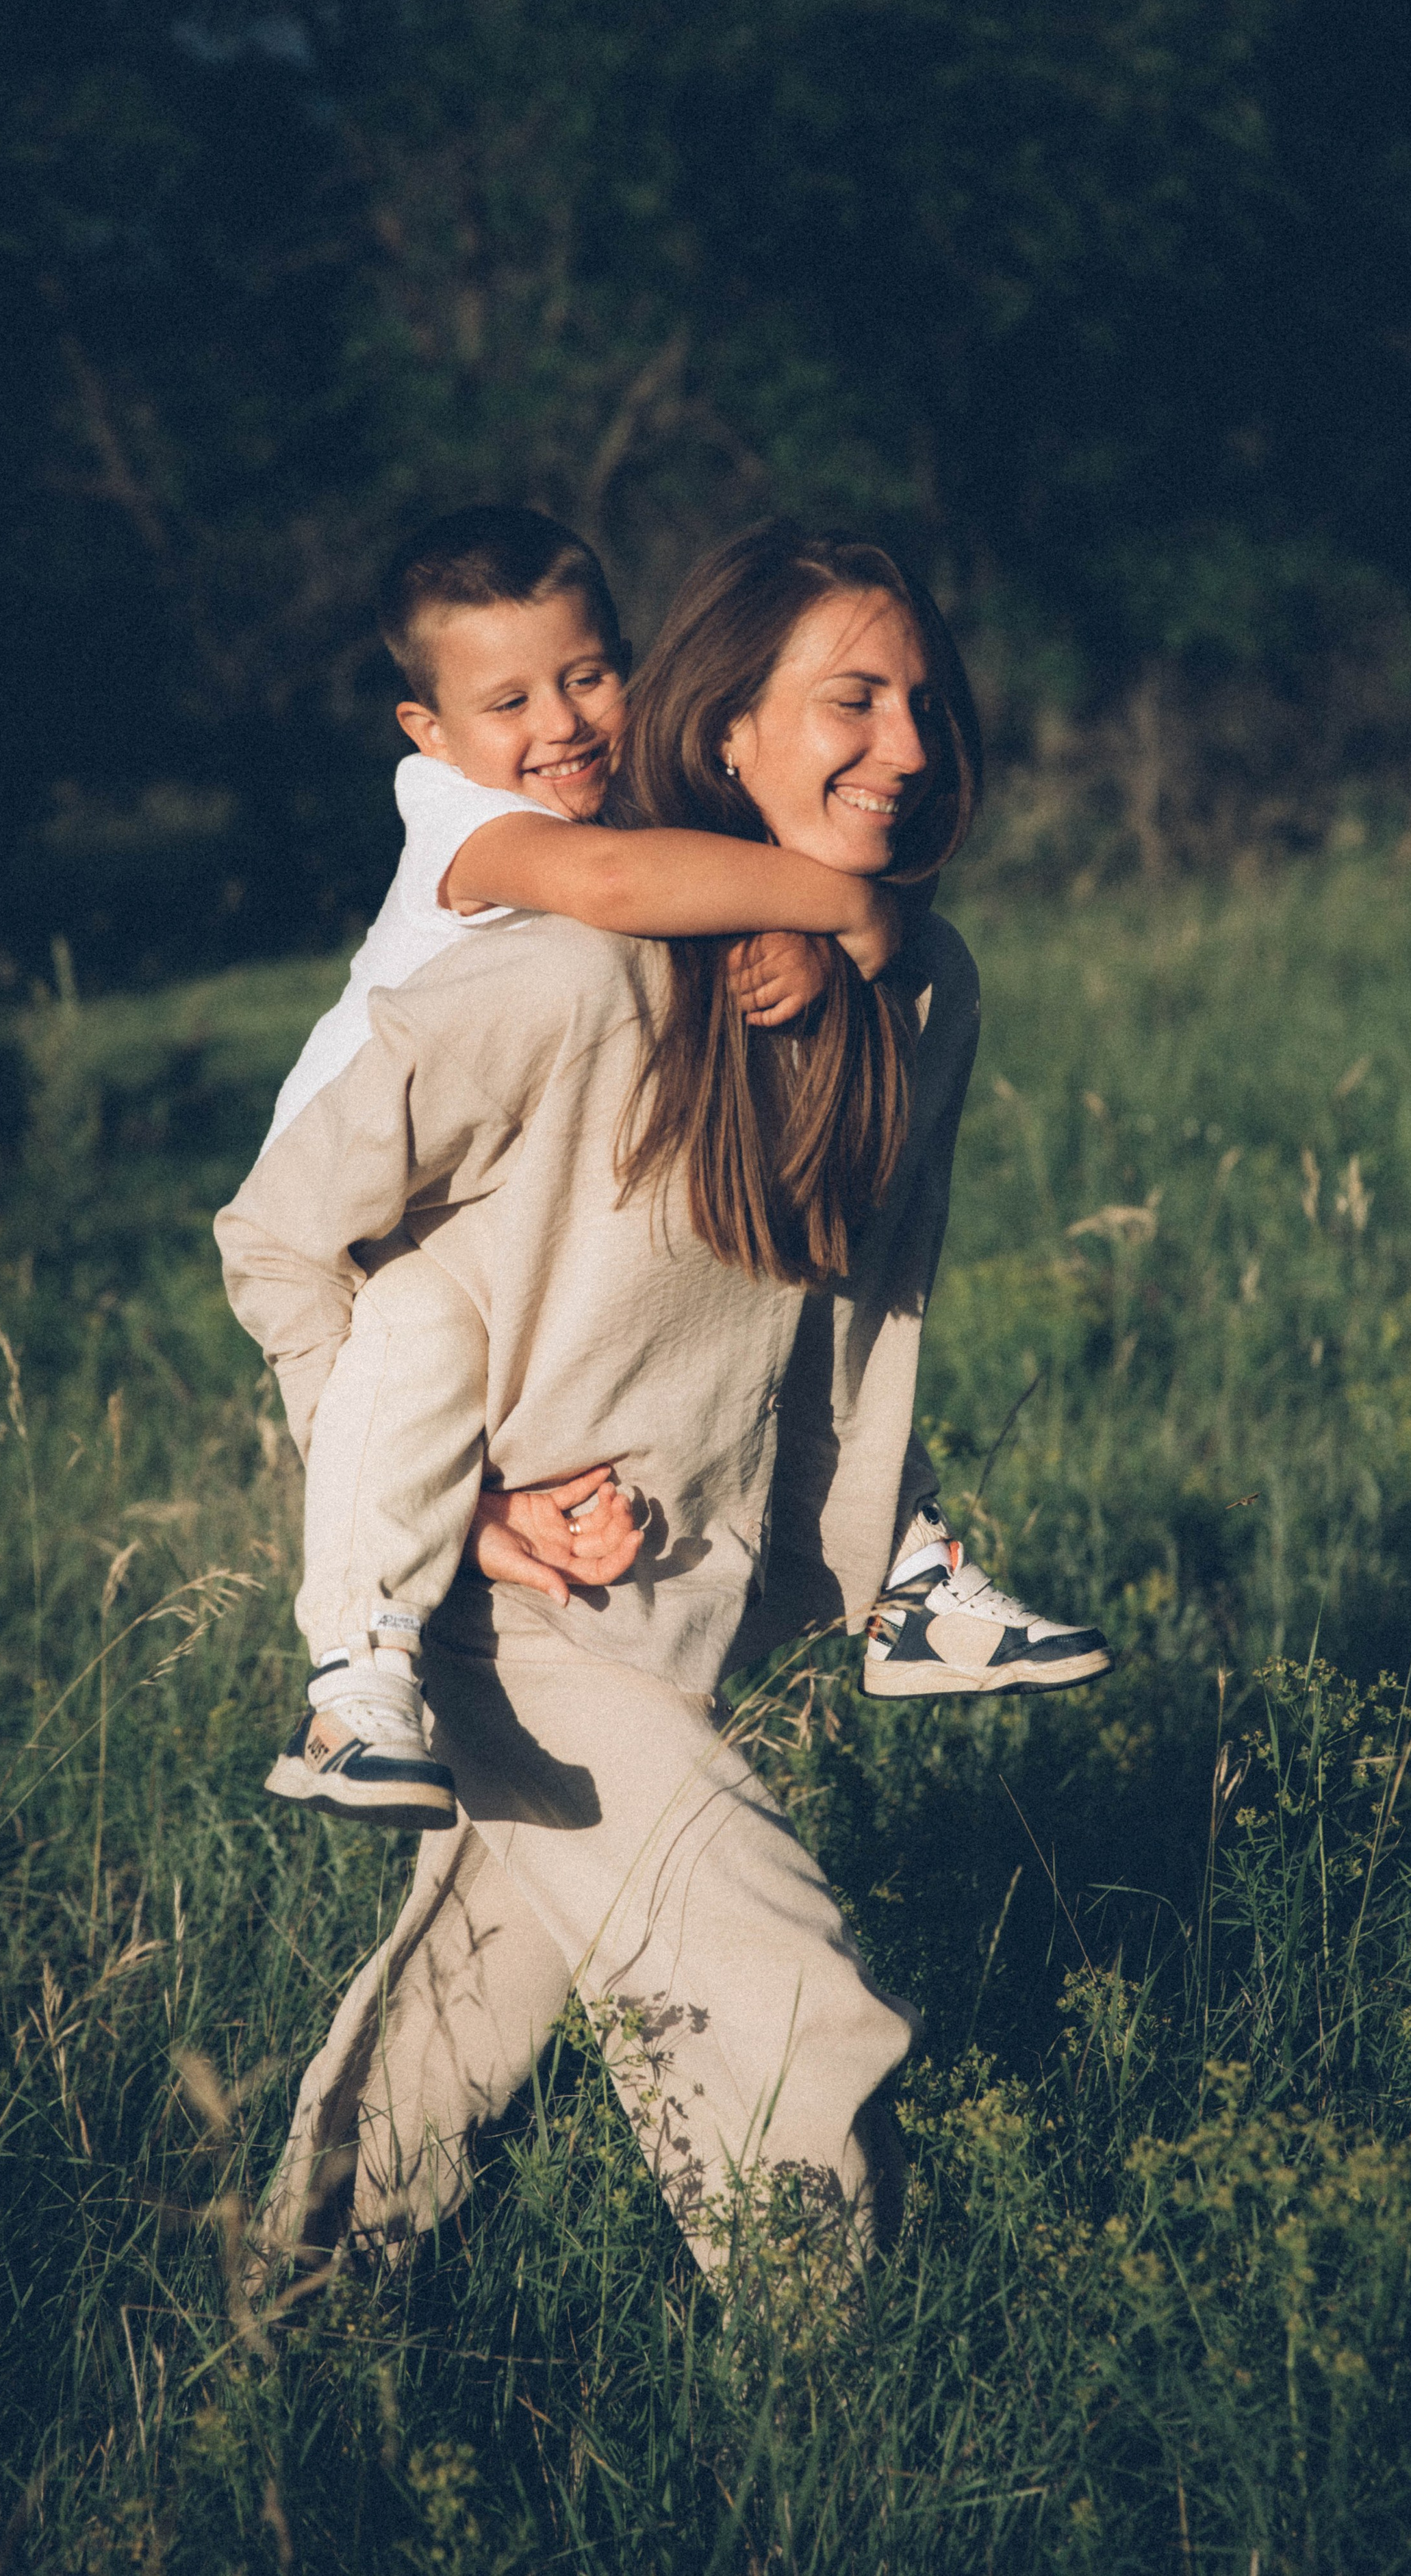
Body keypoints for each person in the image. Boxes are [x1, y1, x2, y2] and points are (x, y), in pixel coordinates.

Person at [216, 522, 1103, 2274]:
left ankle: (284, 2337)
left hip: (682, 1602)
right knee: (793, 2009)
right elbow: (274, 1239)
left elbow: (871, 1312)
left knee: (461, 2007)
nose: (909, 751)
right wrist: (446, 1524)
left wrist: (861, 1568)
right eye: (851, 702)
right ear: (727, 742)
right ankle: (832, 2450)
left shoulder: (923, 985)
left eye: (925, 704)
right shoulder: (567, 968)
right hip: (502, 1607)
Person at [253, 505, 921, 1826]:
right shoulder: (466, 823)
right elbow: (615, 888)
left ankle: (900, 1545)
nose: (558, 724)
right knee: (418, 1342)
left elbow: (686, 887)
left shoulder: (620, 797)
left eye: (588, 675)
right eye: (507, 701)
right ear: (426, 735)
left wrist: (809, 936)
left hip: (493, 1187)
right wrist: (847, 907)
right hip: (363, 1196)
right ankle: (353, 1685)